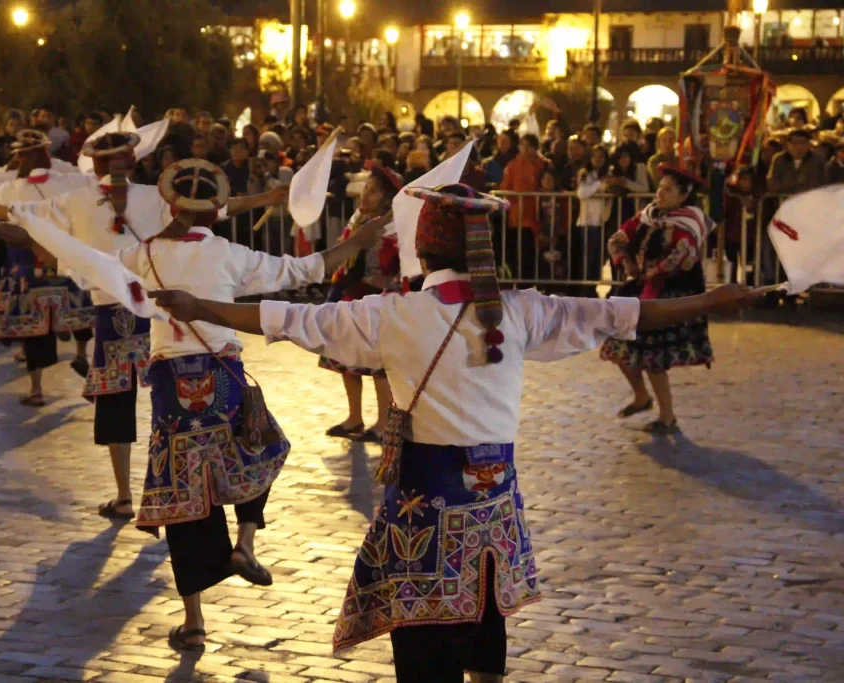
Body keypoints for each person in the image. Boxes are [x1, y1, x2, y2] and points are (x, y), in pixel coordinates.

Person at [148, 183, 760, 683]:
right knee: (487, 625)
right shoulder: (521, 310)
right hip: (494, 512)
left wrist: (201, 308)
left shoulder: (393, 314)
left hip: (425, 515)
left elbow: (286, 319)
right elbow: (625, 314)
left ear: (422, 251)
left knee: (425, 648)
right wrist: (710, 300)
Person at [110, 157, 387, 651]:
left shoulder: (140, 254)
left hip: (172, 389)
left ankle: (194, 622)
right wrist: (357, 243)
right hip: (223, 377)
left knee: (183, 496)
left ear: (170, 204)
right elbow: (302, 268)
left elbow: (97, 273)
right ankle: (245, 542)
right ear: (216, 210)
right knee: (262, 446)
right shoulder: (229, 254)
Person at [0, 132, 292, 522]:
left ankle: (125, 495)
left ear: (95, 163)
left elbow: (19, 213)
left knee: (116, 402)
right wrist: (266, 198)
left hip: (113, 311)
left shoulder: (77, 199)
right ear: (132, 159)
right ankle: (211, 487)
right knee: (185, 402)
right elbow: (215, 206)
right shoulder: (157, 197)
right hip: (163, 312)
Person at [0, 130, 97, 404]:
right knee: (80, 310)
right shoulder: (69, 180)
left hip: (29, 266)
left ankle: (36, 389)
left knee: (34, 330)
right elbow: (94, 180)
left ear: (20, 158)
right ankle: (81, 353)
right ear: (46, 154)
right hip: (64, 259)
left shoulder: (12, 188)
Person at [600, 165, 716, 434]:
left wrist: (655, 271)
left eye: (668, 190)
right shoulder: (648, 216)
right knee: (618, 343)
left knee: (652, 355)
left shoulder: (688, 222)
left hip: (670, 294)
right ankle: (642, 397)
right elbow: (617, 238)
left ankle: (667, 416)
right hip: (642, 289)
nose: (660, 193)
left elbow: (684, 255)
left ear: (683, 196)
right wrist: (626, 261)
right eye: (660, 188)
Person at [320, 161, 402, 442]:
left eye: (374, 191)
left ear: (387, 198)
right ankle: (354, 417)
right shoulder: (358, 220)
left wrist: (387, 281)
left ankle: (383, 422)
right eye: (366, 188)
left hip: (379, 301)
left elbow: (405, 267)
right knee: (346, 359)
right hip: (351, 295)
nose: (366, 195)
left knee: (378, 364)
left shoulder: (396, 227)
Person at [500, 134, 545, 281]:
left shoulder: (543, 164)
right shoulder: (513, 166)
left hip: (539, 218)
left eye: (527, 146)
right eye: (522, 145)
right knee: (521, 257)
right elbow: (505, 189)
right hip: (518, 218)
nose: (524, 149)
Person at [572, 144, 613, 296]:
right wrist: (599, 185)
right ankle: (586, 289)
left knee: (599, 259)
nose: (598, 159)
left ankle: (593, 286)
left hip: (602, 221)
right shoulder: (585, 173)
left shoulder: (608, 174)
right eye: (595, 156)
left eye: (601, 156)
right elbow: (582, 193)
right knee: (588, 258)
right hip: (588, 221)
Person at [767, 128, 826, 195]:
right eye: (795, 143)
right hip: (785, 198)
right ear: (788, 144)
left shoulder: (817, 159)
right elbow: (772, 183)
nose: (799, 147)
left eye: (803, 143)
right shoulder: (779, 159)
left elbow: (824, 183)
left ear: (809, 144)